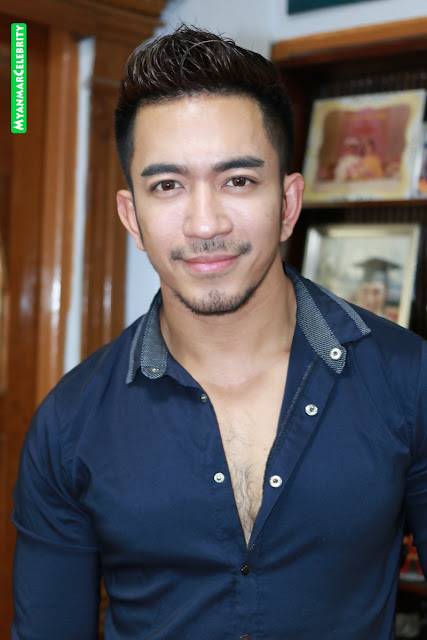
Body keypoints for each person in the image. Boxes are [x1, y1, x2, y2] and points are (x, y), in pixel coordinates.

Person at [11, 25, 427, 640]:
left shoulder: (409, 379)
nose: (205, 224)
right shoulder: (68, 424)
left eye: (238, 180)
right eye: (167, 186)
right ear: (132, 216)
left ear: (288, 203)